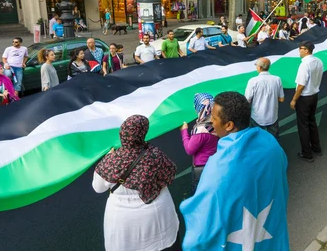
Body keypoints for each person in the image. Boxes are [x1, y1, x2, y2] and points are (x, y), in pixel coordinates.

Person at [180, 92, 289, 251]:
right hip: (272, 237)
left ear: (229, 125)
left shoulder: (218, 166)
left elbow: (202, 225)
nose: (212, 123)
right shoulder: (271, 144)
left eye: (215, 119)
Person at [93, 115, 180, 251]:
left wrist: (108, 157)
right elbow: (171, 172)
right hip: (159, 217)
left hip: (123, 222)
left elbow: (98, 188)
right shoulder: (155, 154)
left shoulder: (111, 160)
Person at [290, 41, 324, 162]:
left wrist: (294, 99)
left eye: (301, 48)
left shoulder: (304, 64)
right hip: (314, 95)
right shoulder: (318, 61)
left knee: (303, 125)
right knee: (312, 122)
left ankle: (307, 153)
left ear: (306, 50)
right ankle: (317, 147)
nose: (299, 50)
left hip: (304, 97)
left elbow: (301, 85)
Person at [180, 93, 219, 193]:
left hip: (203, 168)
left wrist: (184, 131)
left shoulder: (201, 130)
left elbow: (189, 149)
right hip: (216, 164)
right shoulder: (218, 122)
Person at [245, 57, 285, 138]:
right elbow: (281, 99)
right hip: (273, 116)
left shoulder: (253, 81)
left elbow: (247, 99)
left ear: (259, 67)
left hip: (257, 117)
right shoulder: (277, 79)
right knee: (274, 139)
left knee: (257, 140)